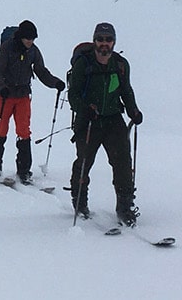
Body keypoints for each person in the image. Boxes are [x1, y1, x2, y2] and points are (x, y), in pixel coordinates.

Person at [67, 21, 143, 225]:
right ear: (94, 41)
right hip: (88, 121)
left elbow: (126, 90)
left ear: (114, 42)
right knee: (84, 161)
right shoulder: (84, 63)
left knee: (123, 164)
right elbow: (73, 94)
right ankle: (80, 201)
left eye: (108, 40)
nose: (104, 44)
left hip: (112, 119)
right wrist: (85, 109)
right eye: (100, 39)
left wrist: (133, 110)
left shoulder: (120, 65)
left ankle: (125, 207)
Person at [0, 19, 65, 184]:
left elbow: (41, 71)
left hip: (23, 95)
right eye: (28, 38)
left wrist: (55, 83)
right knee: (2, 128)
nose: (31, 42)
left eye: (33, 39)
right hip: (5, 95)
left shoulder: (33, 51)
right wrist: (1, 87)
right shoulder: (7, 48)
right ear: (21, 37)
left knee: (24, 131)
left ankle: (24, 171)